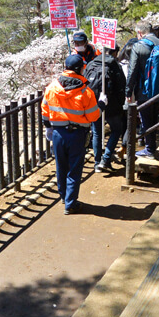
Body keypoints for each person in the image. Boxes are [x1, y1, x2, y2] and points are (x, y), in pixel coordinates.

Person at [42, 54, 101, 215]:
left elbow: (45, 111)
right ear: (80, 68)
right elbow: (93, 116)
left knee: (61, 166)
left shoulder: (52, 87)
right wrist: (101, 104)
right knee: (74, 169)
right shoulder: (85, 91)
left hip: (58, 133)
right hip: (77, 134)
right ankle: (71, 203)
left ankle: (63, 196)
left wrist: (48, 127)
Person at [126, 21, 159, 157]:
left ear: (140, 33)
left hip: (144, 90)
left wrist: (128, 91)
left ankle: (149, 149)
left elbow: (132, 71)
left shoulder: (138, 46)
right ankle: (151, 146)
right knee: (154, 117)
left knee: (146, 119)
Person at [84, 48, 127, 172]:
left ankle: (97, 163)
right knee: (116, 130)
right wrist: (120, 104)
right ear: (115, 52)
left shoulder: (92, 64)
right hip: (112, 106)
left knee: (97, 132)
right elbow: (121, 86)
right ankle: (106, 158)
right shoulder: (115, 66)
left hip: (95, 104)